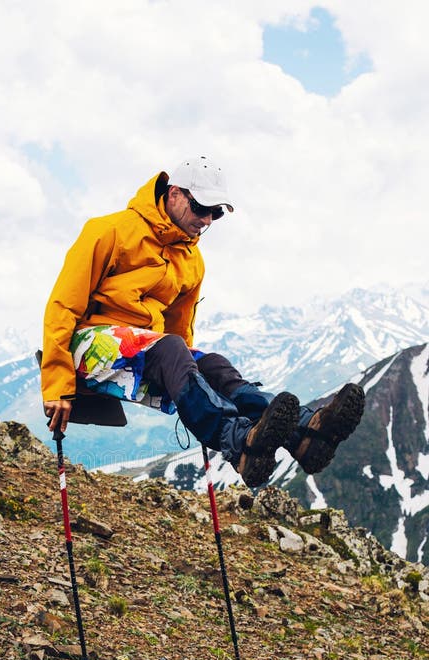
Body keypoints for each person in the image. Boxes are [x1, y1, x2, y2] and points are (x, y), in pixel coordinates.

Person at [41, 156, 364, 487]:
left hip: (145, 350)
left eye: (217, 213)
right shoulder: (108, 231)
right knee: (170, 349)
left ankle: (304, 435)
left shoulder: (191, 259)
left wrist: (194, 377)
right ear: (175, 193)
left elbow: (180, 334)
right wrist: (56, 384)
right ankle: (233, 438)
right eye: (201, 208)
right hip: (87, 345)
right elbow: (63, 306)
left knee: (215, 365)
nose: (207, 219)